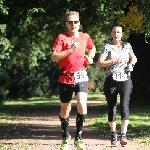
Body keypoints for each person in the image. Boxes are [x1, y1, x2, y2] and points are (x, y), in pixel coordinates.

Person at [51, 11, 96, 150]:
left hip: (81, 75)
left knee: (82, 105)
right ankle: (65, 137)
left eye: (75, 22)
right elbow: (54, 57)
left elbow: (92, 47)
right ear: (66, 24)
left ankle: (79, 138)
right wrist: (70, 50)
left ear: (79, 23)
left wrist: (91, 57)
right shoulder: (62, 37)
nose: (73, 24)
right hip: (65, 77)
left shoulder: (84, 36)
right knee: (65, 110)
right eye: (70, 22)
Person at [96, 25, 137, 146]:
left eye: (119, 32)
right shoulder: (107, 47)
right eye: (114, 32)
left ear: (123, 34)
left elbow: (133, 57)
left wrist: (131, 65)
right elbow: (99, 63)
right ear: (111, 34)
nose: (116, 34)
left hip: (125, 79)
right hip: (111, 79)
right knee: (112, 107)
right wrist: (113, 61)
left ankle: (123, 134)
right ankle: (113, 133)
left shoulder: (127, 46)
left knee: (124, 106)